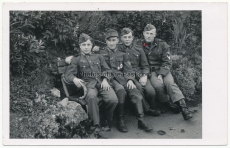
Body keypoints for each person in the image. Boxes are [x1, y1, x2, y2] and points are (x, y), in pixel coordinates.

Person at [98, 28, 153, 132]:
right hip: (110, 80)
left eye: (114, 40)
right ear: (106, 41)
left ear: (118, 41)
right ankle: (120, 120)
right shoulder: (100, 53)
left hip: (123, 79)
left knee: (135, 92)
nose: (111, 43)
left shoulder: (122, 54)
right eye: (109, 40)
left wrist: (130, 80)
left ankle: (141, 121)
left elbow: (128, 69)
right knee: (120, 91)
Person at [64, 33, 118, 132]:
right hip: (89, 85)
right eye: (83, 45)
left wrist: (105, 79)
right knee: (92, 97)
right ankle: (95, 124)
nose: (86, 47)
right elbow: (68, 75)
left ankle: (107, 119)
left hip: (102, 83)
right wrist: (75, 79)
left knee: (113, 99)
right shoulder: (76, 59)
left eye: (88, 45)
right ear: (80, 46)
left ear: (92, 45)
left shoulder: (98, 57)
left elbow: (108, 70)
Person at [118, 28, 180, 114]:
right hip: (127, 74)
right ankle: (147, 110)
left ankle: (153, 106)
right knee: (138, 88)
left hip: (139, 73)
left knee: (151, 92)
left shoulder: (138, 48)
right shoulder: (117, 49)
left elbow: (145, 65)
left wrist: (145, 75)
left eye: (129, 37)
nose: (127, 39)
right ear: (121, 38)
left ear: (133, 38)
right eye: (125, 37)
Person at [137, 24, 193, 120]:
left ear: (155, 34)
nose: (149, 36)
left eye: (151, 33)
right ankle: (167, 104)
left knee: (170, 83)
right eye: (147, 33)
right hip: (150, 71)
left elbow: (167, 61)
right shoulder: (139, 45)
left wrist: (161, 74)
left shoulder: (162, 44)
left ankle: (184, 108)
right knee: (158, 86)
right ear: (143, 34)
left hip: (163, 69)